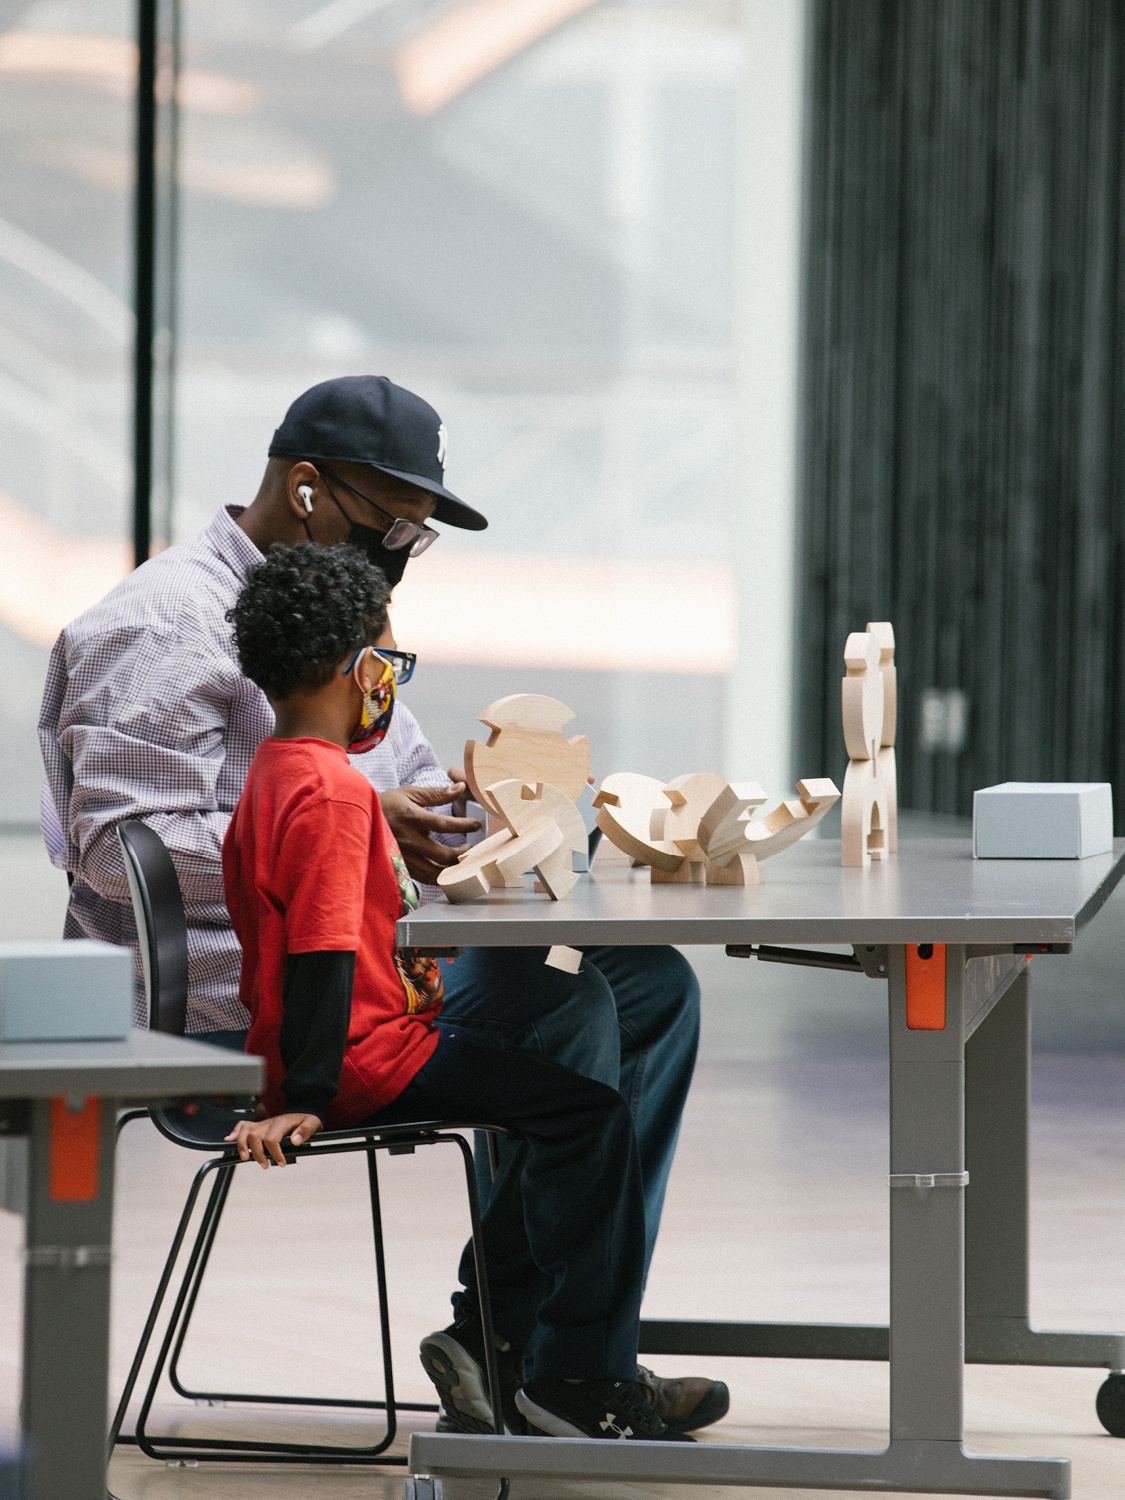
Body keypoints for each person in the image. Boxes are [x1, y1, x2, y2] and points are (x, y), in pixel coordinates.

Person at [37, 374, 724, 1433]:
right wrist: (351, 831)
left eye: (420, 533)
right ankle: (541, 1357)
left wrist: (482, 815)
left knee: (648, 984)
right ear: (307, 490)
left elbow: (387, 781)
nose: (402, 546)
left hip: (369, 952)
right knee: (568, 1012)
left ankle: (539, 1348)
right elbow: (122, 860)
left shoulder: (337, 617)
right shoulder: (159, 626)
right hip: (248, 999)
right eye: (391, 519)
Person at [221, 540, 689, 1443]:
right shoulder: (334, 795)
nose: (389, 685)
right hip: (369, 1061)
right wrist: (307, 1099)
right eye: (388, 663)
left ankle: (508, 1335)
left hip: (343, 1045)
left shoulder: (277, 775)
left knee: (562, 1053)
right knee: (588, 1119)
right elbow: (321, 953)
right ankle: (581, 1377)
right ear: (358, 669)